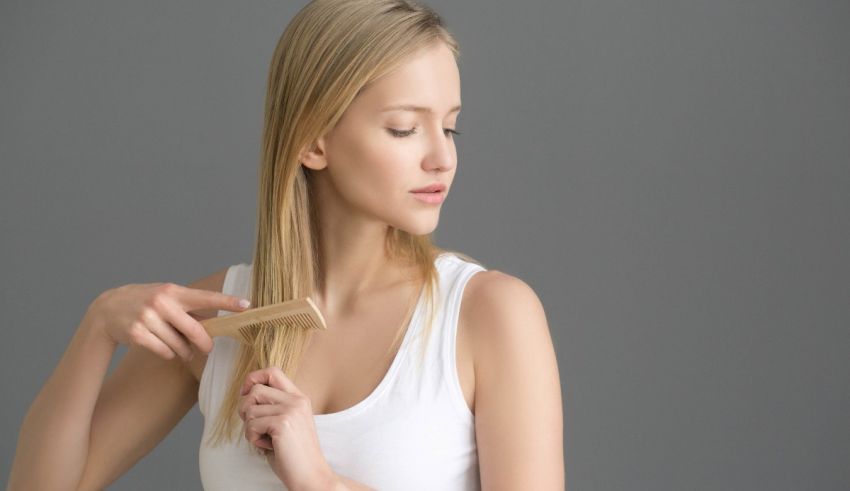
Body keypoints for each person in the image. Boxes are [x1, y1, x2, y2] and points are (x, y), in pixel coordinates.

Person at [8, 0, 564, 489]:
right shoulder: (218, 321)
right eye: (403, 128)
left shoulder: (489, 314)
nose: (442, 158)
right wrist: (97, 329)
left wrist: (319, 481)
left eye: (450, 127)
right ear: (313, 142)